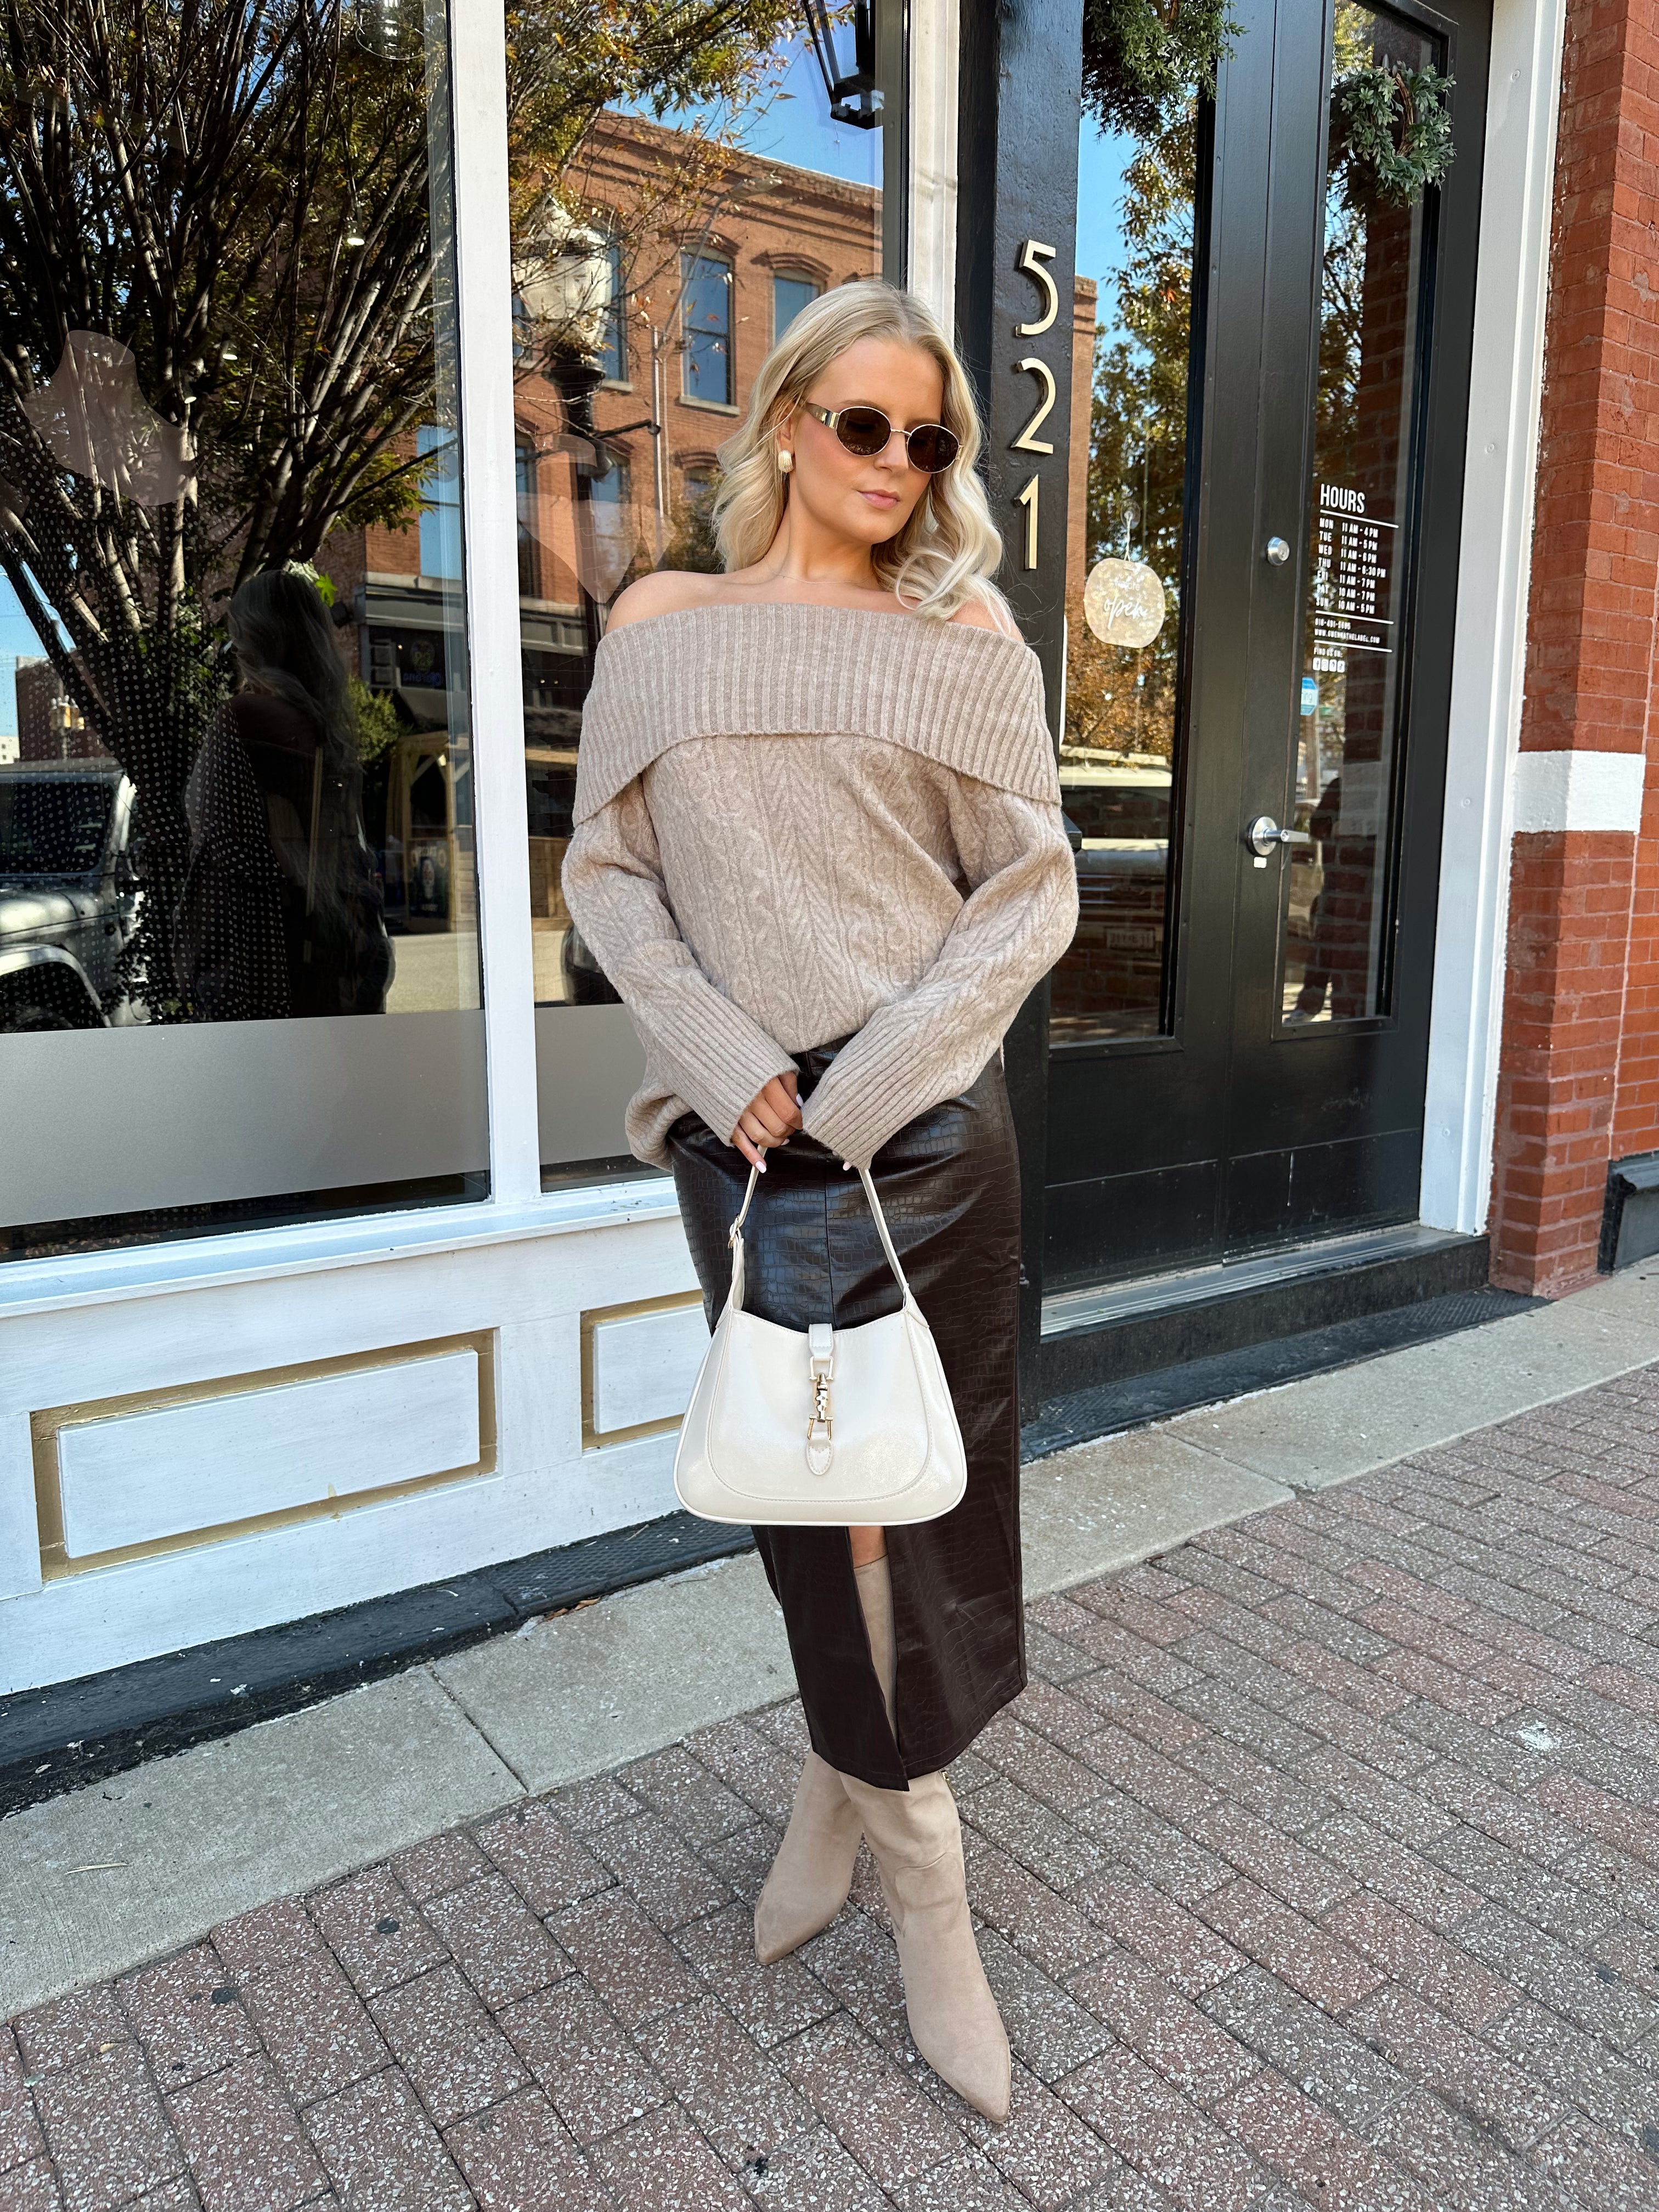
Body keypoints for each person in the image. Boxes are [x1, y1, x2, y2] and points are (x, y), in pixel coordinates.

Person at [562, 281, 1078, 2122]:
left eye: (928, 440)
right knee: (802, 1490)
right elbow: (609, 876)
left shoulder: (964, 639)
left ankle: (915, 1869)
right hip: (738, 1137)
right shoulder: (664, 625)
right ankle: (850, 1781)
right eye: (863, 425)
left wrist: (861, 1086)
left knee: (911, 1512)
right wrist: (723, 1062)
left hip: (917, 1139)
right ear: (784, 419)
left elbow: (1028, 895)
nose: (895, 466)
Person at [174, 569, 391, 1020]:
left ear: (255, 639)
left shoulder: (243, 717)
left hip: (262, 958)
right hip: (337, 946)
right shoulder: (328, 730)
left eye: (238, 635)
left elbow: (220, 844)